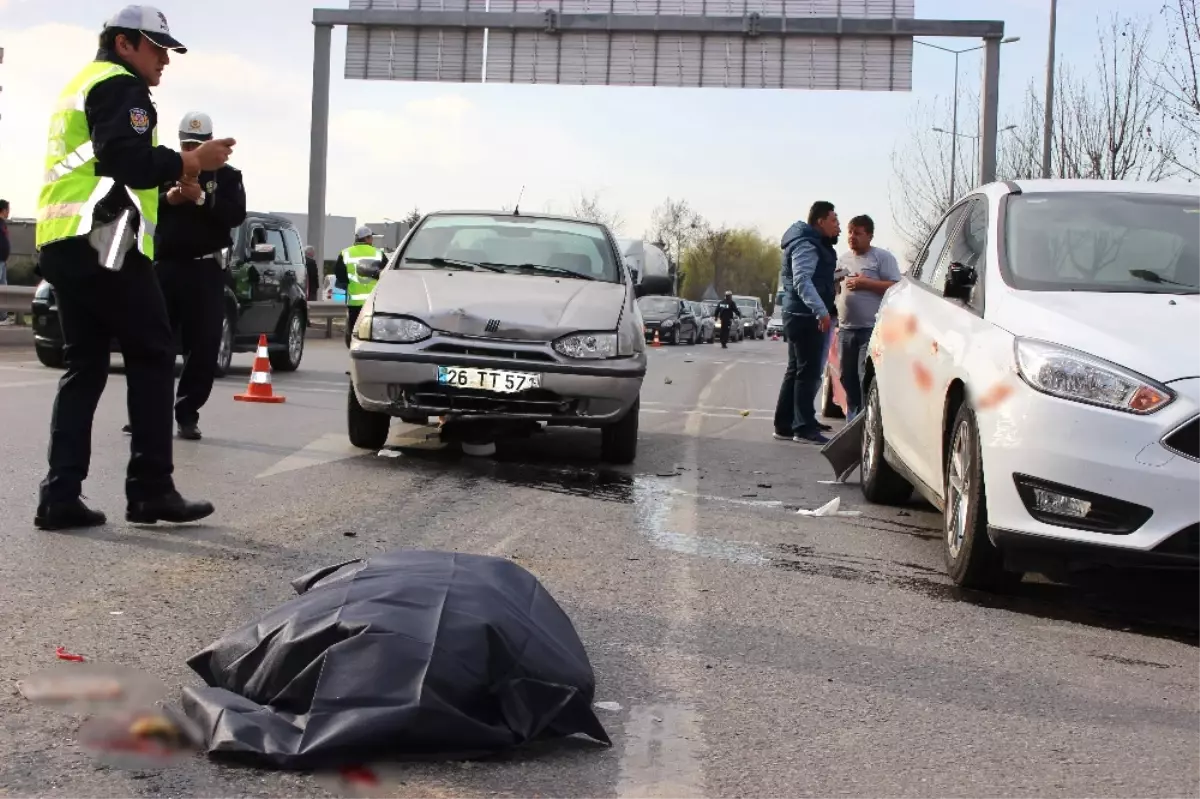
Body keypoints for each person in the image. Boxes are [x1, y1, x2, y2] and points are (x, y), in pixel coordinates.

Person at [33, 6, 235, 531]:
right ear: (125, 44)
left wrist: (166, 190)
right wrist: (193, 162)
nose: (165, 60)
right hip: (105, 239)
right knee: (153, 351)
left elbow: (103, 164)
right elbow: (122, 156)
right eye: (157, 47)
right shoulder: (122, 87)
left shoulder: (82, 83)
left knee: (86, 366)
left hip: (64, 239)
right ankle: (150, 491)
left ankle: (60, 495)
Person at [153, 111, 246, 441]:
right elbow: (143, 203)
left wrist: (202, 198)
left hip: (206, 270)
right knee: (155, 342)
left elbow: (235, 215)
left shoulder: (228, 176)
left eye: (198, 142)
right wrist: (170, 198)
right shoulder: (166, 170)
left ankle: (187, 412)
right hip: (166, 267)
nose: (193, 148)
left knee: (203, 345)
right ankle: (148, 412)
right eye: (187, 143)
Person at [773, 201, 841, 445]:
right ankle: (803, 428)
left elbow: (810, 277)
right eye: (834, 220)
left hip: (799, 314)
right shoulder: (807, 244)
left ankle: (785, 424)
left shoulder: (808, 242)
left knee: (796, 371)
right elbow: (802, 280)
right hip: (805, 316)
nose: (839, 227)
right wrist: (821, 311)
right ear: (820, 221)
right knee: (807, 373)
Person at [836, 214, 901, 421]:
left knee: (865, 376)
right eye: (850, 232)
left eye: (858, 233)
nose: (852, 237)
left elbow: (896, 287)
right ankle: (853, 418)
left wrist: (867, 284)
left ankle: (866, 422)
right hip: (846, 329)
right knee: (847, 377)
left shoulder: (881, 258)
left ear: (870, 236)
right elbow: (836, 285)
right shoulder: (844, 258)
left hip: (870, 329)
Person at [334, 225, 382, 346]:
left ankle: (354, 348)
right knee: (372, 330)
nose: (372, 240)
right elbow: (386, 273)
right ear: (366, 238)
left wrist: (350, 283)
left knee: (354, 329)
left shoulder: (345, 253)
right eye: (371, 237)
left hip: (354, 301)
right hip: (373, 301)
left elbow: (339, 275)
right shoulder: (378, 253)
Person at [0, 199, 11, 325]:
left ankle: (3, 317)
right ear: (3, 210)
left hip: (2, 261)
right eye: (8, 209)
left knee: (4, 289)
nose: (9, 212)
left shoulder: (3, 224)